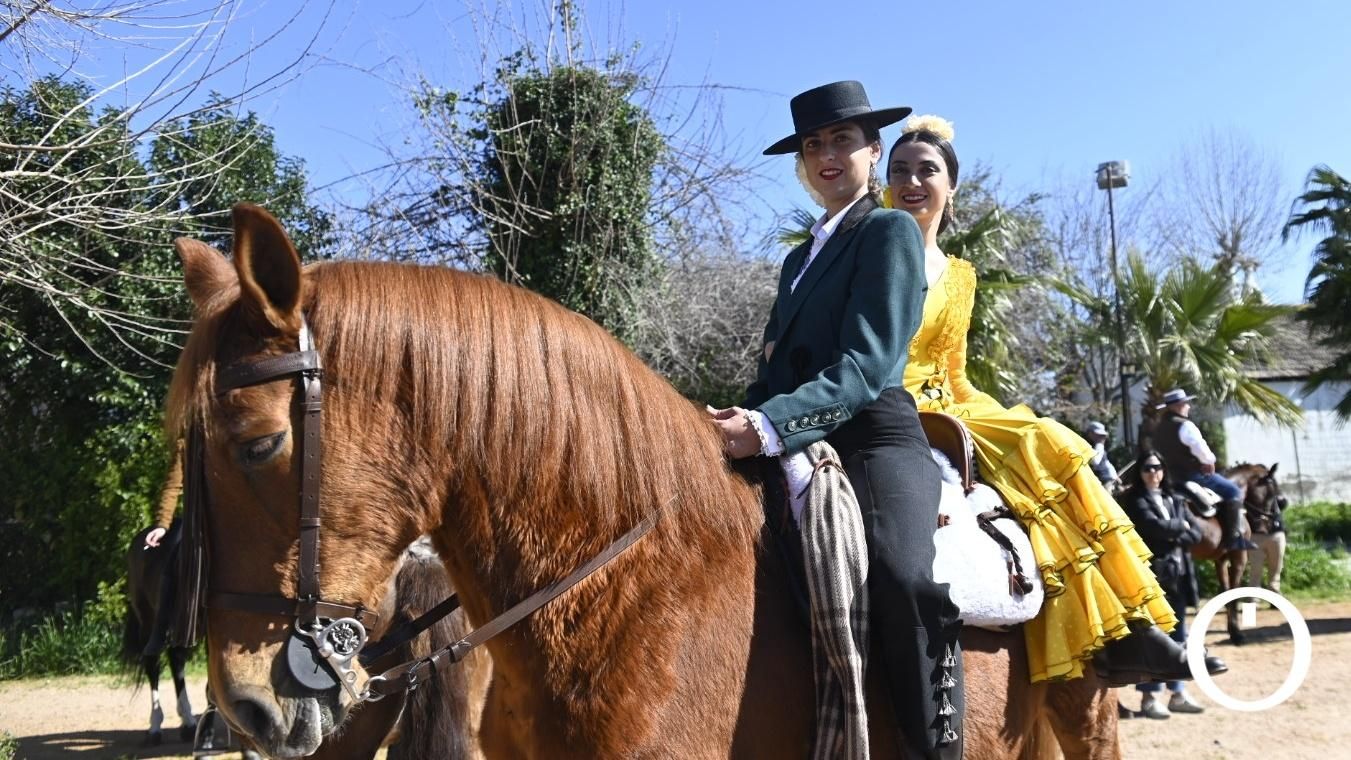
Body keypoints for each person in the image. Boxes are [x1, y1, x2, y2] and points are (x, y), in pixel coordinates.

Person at [886, 114, 1227, 686]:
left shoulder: (961, 275)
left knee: (1050, 440)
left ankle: (1129, 626)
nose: (912, 182)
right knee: (1038, 439)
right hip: (895, 403)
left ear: (952, 185)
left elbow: (955, 371)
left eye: (927, 170)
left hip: (953, 402)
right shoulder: (874, 251)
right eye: (900, 171)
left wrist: (1004, 418)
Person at [709, 80, 962, 759]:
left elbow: (865, 363)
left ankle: (933, 744)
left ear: (872, 151)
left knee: (899, 571)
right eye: (812, 145)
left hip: (873, 436)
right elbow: (773, 375)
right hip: (796, 435)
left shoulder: (887, 230)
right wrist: (733, 415)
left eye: (841, 140)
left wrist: (767, 425)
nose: (826, 155)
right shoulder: (798, 259)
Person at [1122, 451, 1209, 718]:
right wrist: (1179, 527)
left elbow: (1197, 532)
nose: (1153, 473)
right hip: (1153, 579)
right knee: (1153, 636)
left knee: (1180, 635)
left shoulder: (1175, 498)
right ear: (1140, 472)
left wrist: (1177, 527)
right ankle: (1149, 698)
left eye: (1157, 467)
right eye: (1147, 468)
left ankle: (1178, 692)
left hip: (1179, 575)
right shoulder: (1136, 500)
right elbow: (1151, 527)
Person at [1152, 388, 1259, 551]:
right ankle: (1234, 538)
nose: (1188, 406)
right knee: (1234, 492)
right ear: (1179, 406)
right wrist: (1209, 461)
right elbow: (1200, 449)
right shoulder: (1186, 426)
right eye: (1186, 403)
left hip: (1168, 478)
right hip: (1193, 475)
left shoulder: (1158, 428)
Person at [141, 439, 186, 656]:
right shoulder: (185, 445)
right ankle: (161, 630)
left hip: (233, 522)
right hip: (198, 522)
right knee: (174, 553)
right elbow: (172, 487)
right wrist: (161, 524)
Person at [1085, 421, 1121, 491]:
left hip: (1106, 478)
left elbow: (1095, 461)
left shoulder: (1099, 446)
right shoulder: (1097, 446)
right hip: (1109, 476)